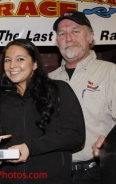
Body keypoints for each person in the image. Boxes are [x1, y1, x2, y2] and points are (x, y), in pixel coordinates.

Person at [0, 38, 85, 183]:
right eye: (7, 60)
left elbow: (75, 134)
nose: (12, 65)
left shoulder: (58, 90)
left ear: (35, 64)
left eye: (20, 59)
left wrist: (30, 148)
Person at [49, 10, 116, 183]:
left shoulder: (111, 72)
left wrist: (111, 141)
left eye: (75, 31)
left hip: (96, 173)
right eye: (62, 34)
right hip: (55, 173)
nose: (69, 38)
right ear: (57, 41)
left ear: (90, 37)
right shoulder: (48, 80)